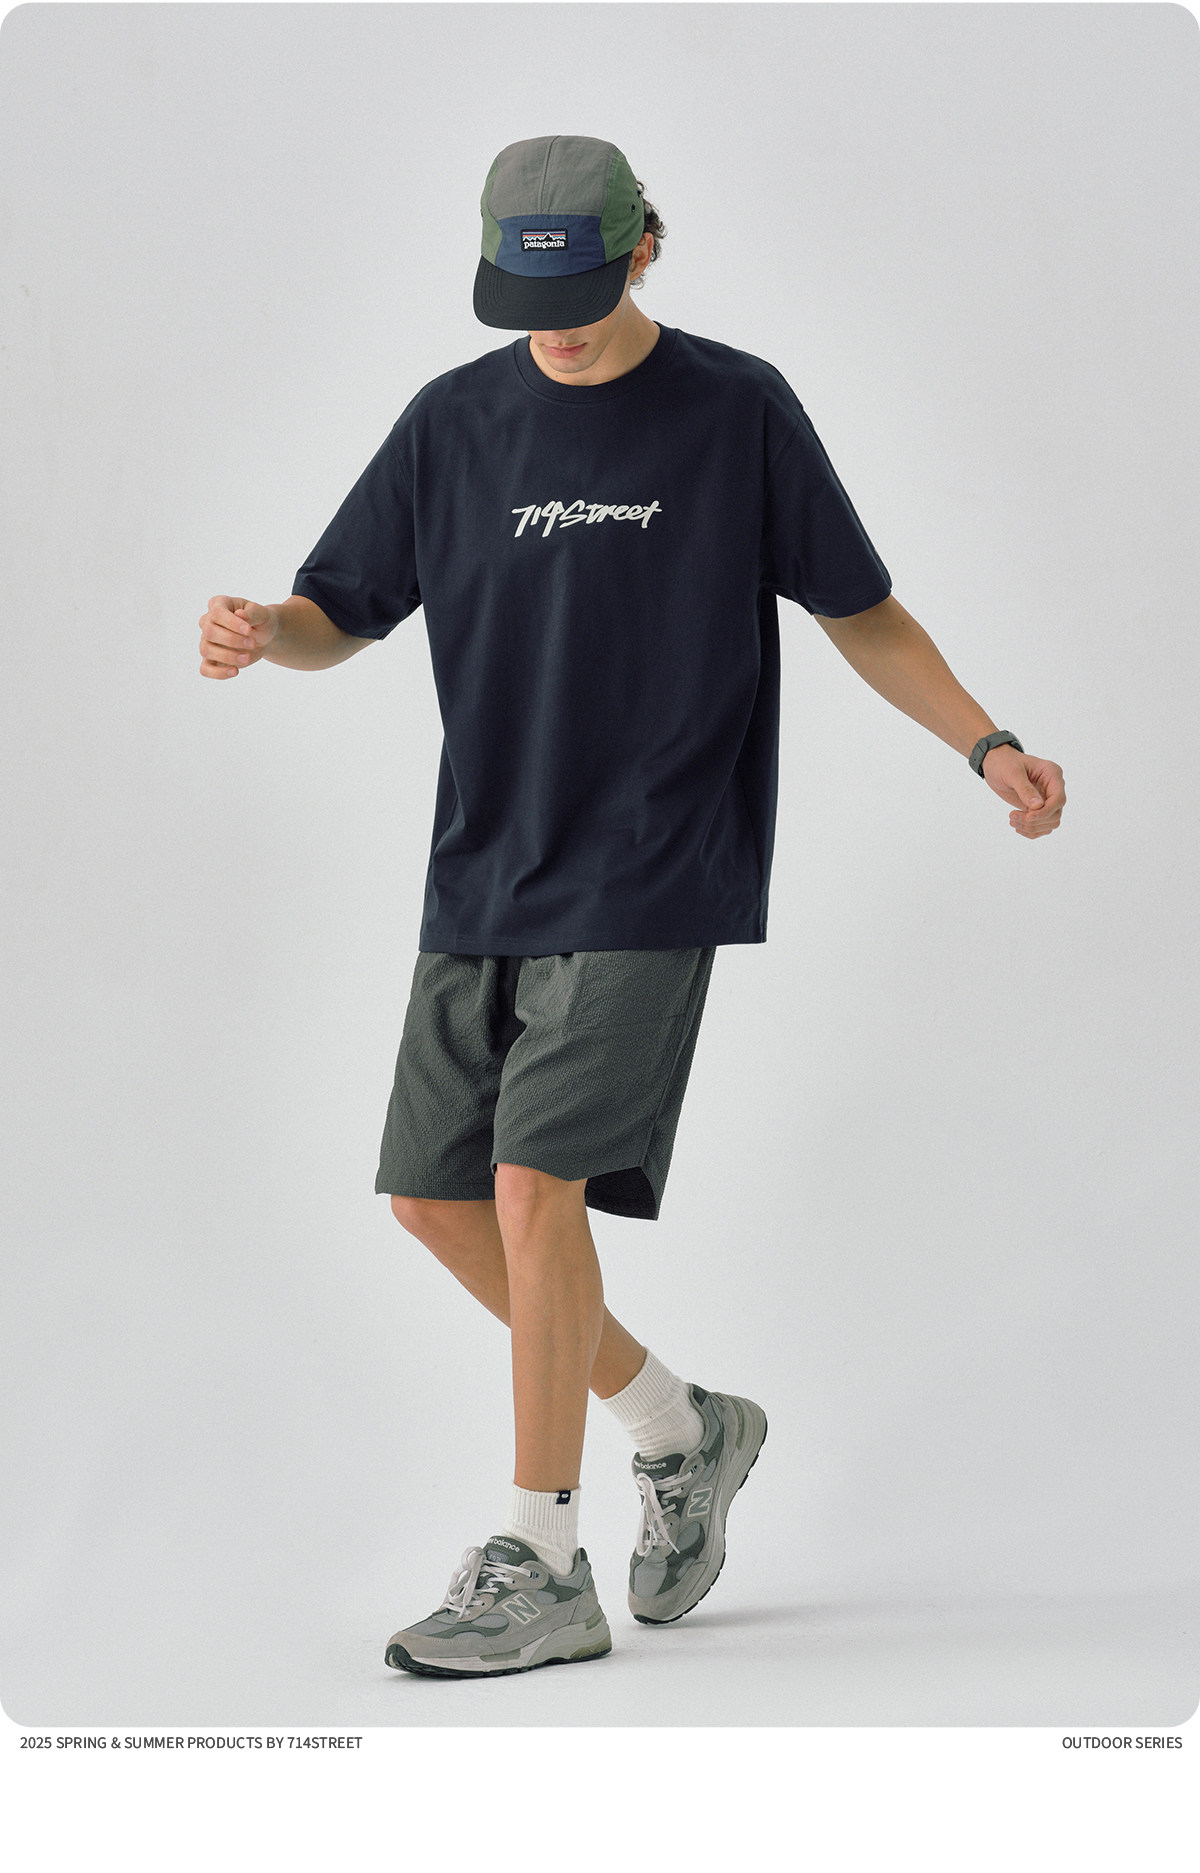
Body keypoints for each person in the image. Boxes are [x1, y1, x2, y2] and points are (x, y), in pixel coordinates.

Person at [197, 134, 1066, 1680]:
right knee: (436, 1202)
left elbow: (860, 609)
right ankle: (684, 1426)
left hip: (660, 854)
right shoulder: (452, 423)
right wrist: (271, 628)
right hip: (486, 863)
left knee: (535, 1186)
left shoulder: (737, 410)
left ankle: (540, 1560)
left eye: (583, 293)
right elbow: (343, 611)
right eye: (526, 302)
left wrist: (985, 741)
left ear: (646, 247)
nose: (557, 328)